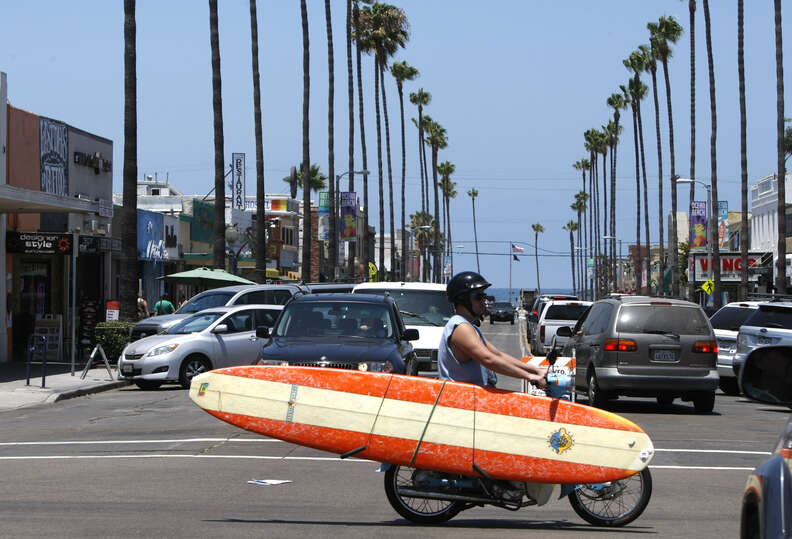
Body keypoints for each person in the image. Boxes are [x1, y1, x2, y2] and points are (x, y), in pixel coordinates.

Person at [438, 271, 546, 389]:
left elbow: (497, 355)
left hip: (471, 400)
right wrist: (529, 376)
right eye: (478, 297)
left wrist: (535, 370)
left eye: (484, 296)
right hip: (459, 402)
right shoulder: (460, 327)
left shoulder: (470, 327)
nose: (484, 301)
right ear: (462, 299)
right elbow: (488, 359)